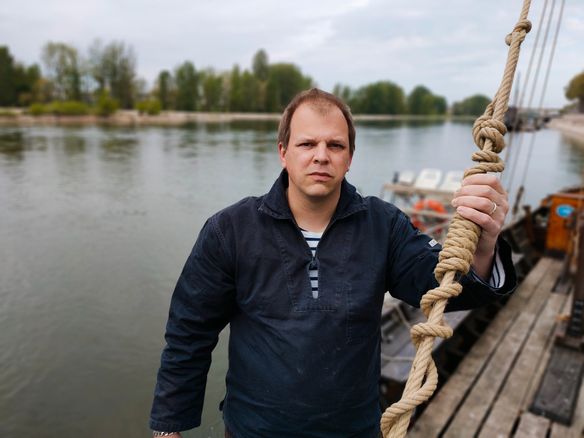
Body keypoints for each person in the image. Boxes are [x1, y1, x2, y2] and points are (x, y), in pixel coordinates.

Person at [149, 88, 516, 437]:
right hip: (254, 430)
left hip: (354, 430)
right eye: (307, 143)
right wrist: (168, 427)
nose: (321, 155)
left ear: (350, 157)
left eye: (335, 145)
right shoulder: (229, 230)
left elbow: (444, 289)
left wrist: (484, 244)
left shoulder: (383, 225)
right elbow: (189, 333)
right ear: (283, 152)